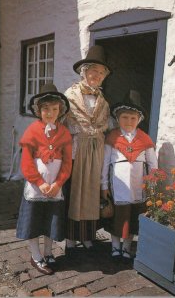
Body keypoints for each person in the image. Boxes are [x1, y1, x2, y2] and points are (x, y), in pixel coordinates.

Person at [16, 84, 72, 275]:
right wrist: (40, 182)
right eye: (46, 109)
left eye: (54, 109)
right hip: (36, 186)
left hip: (55, 187)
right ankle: (36, 255)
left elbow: (66, 163)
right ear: (39, 110)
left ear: (60, 110)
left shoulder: (63, 133)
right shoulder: (32, 131)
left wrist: (58, 183)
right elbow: (26, 162)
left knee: (51, 220)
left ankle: (48, 252)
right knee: (34, 221)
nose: (50, 113)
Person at [63, 45, 112, 253]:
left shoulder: (103, 101)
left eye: (101, 73)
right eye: (94, 71)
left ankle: (87, 235)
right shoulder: (70, 95)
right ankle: (71, 237)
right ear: (84, 71)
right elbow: (65, 122)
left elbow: (106, 124)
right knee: (75, 191)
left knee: (91, 192)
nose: (97, 75)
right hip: (76, 150)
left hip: (95, 150)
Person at [101, 96, 158, 262]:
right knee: (117, 216)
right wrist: (103, 184)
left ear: (139, 120)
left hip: (137, 186)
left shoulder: (144, 138)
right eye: (125, 117)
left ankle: (126, 247)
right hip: (117, 185)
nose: (129, 121)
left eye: (133, 118)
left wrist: (152, 184)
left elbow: (152, 163)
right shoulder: (112, 137)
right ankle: (115, 247)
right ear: (118, 119)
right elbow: (105, 164)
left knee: (132, 217)